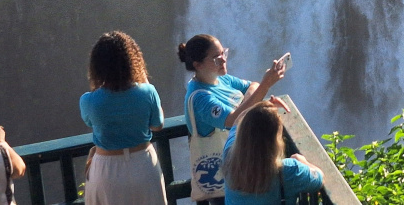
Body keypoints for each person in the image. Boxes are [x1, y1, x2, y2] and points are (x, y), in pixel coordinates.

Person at [178, 34, 287, 204]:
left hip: (238, 169)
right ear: (197, 65)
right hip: (220, 181)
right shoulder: (200, 98)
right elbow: (233, 120)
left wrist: (257, 98)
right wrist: (264, 88)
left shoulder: (221, 78)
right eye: (216, 58)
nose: (223, 60)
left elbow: (253, 86)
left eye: (223, 53)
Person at [80, 31, 167, 205]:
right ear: (132, 61)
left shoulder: (88, 100)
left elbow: (90, 122)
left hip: (106, 169)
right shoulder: (148, 92)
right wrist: (144, 81)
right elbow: (158, 125)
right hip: (143, 164)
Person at [222, 100, 323, 204]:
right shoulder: (288, 171)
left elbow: (238, 121)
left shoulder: (229, 155)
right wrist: (302, 161)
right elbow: (319, 178)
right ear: (275, 140)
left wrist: (263, 107)